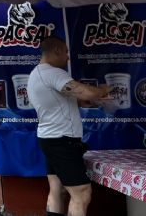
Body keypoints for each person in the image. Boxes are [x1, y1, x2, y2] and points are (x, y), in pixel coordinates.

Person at [28, 37, 108, 216]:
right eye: (65, 52)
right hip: (62, 141)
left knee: (57, 190)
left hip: (50, 138)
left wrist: (78, 103)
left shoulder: (36, 74)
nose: (67, 57)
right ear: (56, 50)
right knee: (81, 193)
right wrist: (104, 90)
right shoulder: (53, 73)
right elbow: (87, 92)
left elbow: (55, 102)